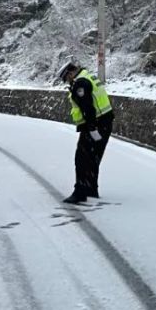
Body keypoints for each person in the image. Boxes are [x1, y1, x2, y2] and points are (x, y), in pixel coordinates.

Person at [58, 60, 114, 204]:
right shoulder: (88, 76)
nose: (67, 81)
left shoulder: (80, 83)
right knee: (93, 158)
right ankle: (91, 189)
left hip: (95, 124)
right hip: (105, 121)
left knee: (82, 158)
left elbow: (88, 108)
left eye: (66, 78)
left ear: (70, 73)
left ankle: (80, 192)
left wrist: (92, 128)